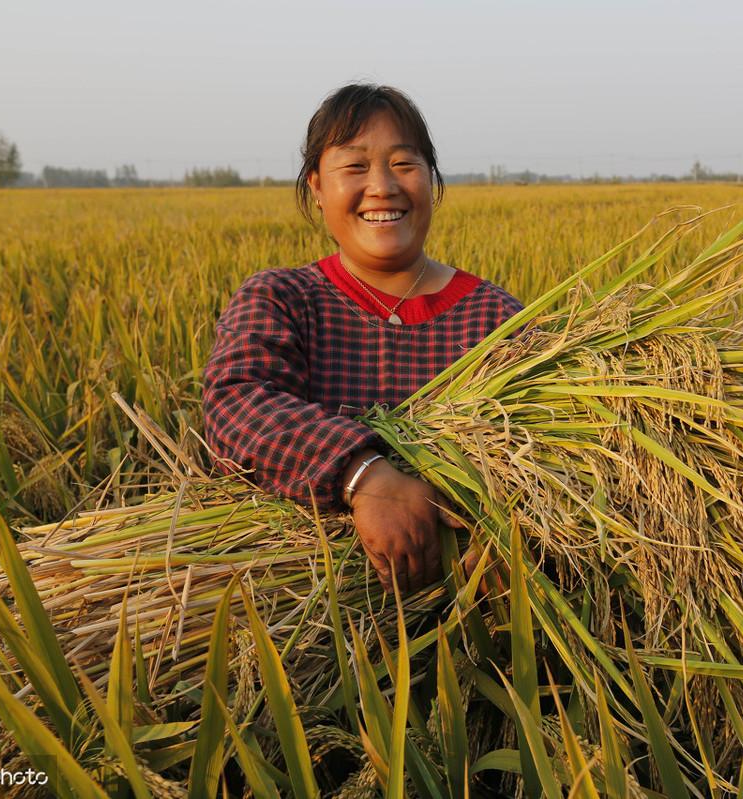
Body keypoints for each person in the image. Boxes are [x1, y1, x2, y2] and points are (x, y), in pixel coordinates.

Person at [202, 84, 524, 594]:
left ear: (431, 179)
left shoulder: (496, 320)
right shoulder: (283, 299)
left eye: (404, 164)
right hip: (310, 614)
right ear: (317, 186)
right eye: (354, 167)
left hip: (477, 621)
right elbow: (236, 405)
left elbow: (540, 450)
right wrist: (364, 476)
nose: (382, 186)